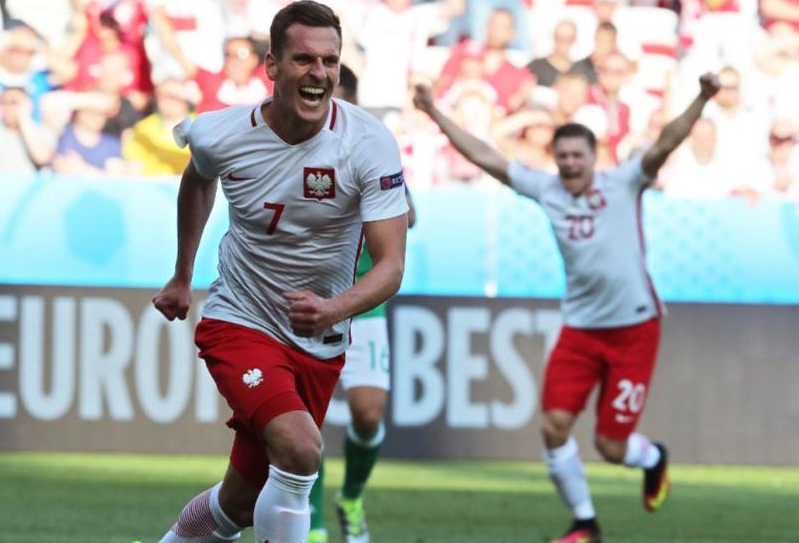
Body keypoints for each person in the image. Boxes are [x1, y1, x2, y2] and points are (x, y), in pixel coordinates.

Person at [413, 72, 722, 543]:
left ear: (594, 158)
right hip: (580, 329)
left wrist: (701, 97)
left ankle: (653, 458)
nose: (571, 164)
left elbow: (666, 142)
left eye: (578, 156)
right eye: (563, 157)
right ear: (554, 160)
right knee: (554, 427)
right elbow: (485, 156)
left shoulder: (624, 182)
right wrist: (434, 112)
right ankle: (585, 523)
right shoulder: (547, 190)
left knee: (611, 446)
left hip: (634, 329)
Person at [151, 3, 409, 543]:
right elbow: (197, 180)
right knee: (300, 446)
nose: (319, 73)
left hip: (320, 340)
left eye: (329, 61)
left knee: (237, 505)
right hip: (241, 319)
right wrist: (181, 275)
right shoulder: (221, 132)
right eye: (304, 59)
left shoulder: (368, 142)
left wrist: (333, 309)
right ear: (272, 65)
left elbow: (390, 267)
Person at [306, 64, 416, 543]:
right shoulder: (294, 145)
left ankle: (351, 498)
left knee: (368, 414)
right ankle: (312, 522)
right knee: (303, 420)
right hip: (308, 301)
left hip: (363, 306)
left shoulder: (371, 147)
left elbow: (409, 216)